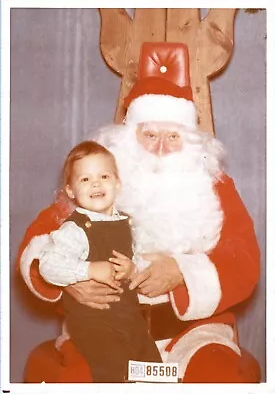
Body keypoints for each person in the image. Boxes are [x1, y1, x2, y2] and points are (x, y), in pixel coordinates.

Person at [18, 76, 261, 383]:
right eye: (149, 134)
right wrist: (71, 280)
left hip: (194, 331)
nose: (160, 147)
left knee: (215, 375)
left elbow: (245, 260)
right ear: (129, 137)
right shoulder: (99, 180)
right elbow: (39, 244)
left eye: (173, 136)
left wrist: (182, 272)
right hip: (101, 323)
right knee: (81, 378)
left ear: (192, 141)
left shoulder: (214, 185)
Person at [35, 140, 162, 382]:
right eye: (85, 179)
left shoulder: (126, 222)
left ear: (117, 183)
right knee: (114, 369)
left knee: (152, 368)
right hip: (94, 323)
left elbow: (138, 260)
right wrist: (89, 269)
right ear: (70, 191)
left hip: (129, 318)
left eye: (104, 176)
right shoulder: (75, 228)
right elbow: (47, 265)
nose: (96, 183)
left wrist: (132, 270)